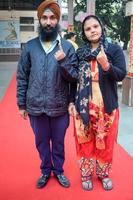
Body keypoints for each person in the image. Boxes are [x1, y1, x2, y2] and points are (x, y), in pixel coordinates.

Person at [17, 0, 78, 189]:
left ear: (57, 20)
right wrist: (21, 105)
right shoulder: (29, 47)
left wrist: (64, 62)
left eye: (52, 18)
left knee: (58, 142)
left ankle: (58, 171)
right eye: (44, 18)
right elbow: (22, 76)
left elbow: (74, 78)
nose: (48, 22)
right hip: (35, 105)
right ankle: (45, 171)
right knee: (42, 142)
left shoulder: (67, 47)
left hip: (59, 105)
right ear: (40, 20)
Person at [69, 15, 126, 191]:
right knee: (84, 141)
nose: (93, 30)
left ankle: (103, 174)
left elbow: (121, 74)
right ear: (84, 33)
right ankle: (86, 173)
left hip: (106, 106)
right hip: (83, 105)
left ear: (101, 27)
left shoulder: (113, 50)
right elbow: (72, 80)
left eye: (95, 26)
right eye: (88, 28)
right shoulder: (80, 53)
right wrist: (71, 101)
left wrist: (106, 65)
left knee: (105, 141)